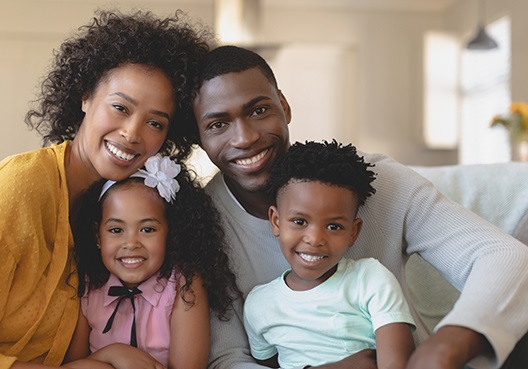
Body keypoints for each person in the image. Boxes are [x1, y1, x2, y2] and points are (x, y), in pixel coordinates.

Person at [188, 45, 528, 369]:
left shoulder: (375, 180)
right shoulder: (201, 222)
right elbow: (226, 357)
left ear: (284, 106)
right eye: (217, 124)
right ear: (199, 138)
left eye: (259, 110)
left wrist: (445, 347)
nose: (244, 138)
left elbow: (503, 256)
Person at [0, 9, 212, 368]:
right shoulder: (18, 188)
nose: (132, 133)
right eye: (119, 107)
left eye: (155, 123)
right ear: (85, 97)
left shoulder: (110, 208)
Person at [243, 140, 416, 369]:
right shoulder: (259, 304)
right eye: (299, 221)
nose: (314, 239)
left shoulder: (370, 280)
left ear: (353, 232)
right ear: (276, 221)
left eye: (334, 226)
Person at [63, 154, 239, 369]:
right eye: (116, 230)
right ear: (98, 236)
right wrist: (113, 355)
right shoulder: (89, 287)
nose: (131, 243)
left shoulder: (183, 286)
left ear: (170, 234)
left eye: (147, 229)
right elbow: (72, 366)